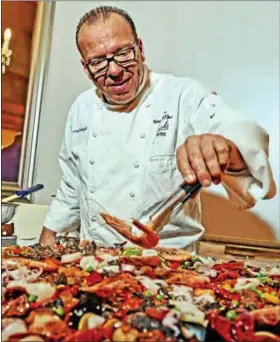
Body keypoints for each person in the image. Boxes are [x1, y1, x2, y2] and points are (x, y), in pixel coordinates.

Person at [39, 6, 276, 248]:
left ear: (140, 49)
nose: (114, 71)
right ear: (86, 68)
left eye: (123, 53)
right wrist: (49, 234)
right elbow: (72, 183)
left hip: (169, 267)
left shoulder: (181, 95)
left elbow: (238, 131)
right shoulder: (81, 108)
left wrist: (224, 148)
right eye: (98, 62)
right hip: (94, 263)